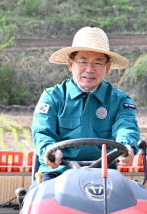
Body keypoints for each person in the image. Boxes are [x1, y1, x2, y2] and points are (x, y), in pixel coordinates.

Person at [31, 26, 139, 182]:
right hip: (57, 174)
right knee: (39, 204)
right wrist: (49, 150)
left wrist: (126, 146)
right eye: (83, 61)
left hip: (104, 175)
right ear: (70, 63)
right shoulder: (52, 97)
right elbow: (42, 132)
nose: (90, 69)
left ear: (107, 67)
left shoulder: (120, 101)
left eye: (97, 63)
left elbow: (126, 127)